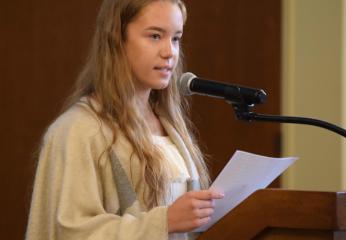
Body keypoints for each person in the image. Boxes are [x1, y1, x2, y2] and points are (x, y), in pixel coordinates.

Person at [25, 0, 224, 239]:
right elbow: (71, 231)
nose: (169, 51)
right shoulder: (77, 130)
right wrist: (164, 221)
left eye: (175, 38)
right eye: (154, 36)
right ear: (117, 39)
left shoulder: (170, 125)